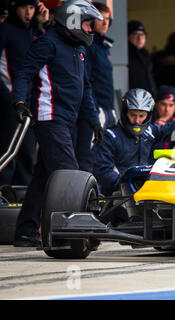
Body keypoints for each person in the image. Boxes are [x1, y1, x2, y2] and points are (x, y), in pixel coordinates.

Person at [10, 0, 103, 247]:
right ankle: (74, 234)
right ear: (71, 20)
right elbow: (24, 73)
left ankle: (25, 231)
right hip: (48, 117)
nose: (90, 29)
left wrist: (94, 121)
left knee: (44, 177)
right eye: (87, 23)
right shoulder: (48, 42)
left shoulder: (80, 49)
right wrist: (19, 101)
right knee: (70, 176)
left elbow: (87, 89)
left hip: (67, 121)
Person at [93, 76, 175, 196]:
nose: (137, 121)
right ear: (124, 112)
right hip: (118, 196)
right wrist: (127, 184)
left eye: (141, 116)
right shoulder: (109, 137)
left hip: (149, 193)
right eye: (133, 115)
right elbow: (103, 171)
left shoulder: (150, 132)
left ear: (148, 115)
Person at [0, 0, 49, 186]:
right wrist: (8, 98)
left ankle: (21, 197)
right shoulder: (5, 29)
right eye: (24, 7)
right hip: (10, 103)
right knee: (8, 152)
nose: (28, 12)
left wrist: (45, 23)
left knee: (27, 153)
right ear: (15, 8)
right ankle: (3, 193)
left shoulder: (36, 33)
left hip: (31, 104)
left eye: (31, 8)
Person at [75, 1, 115, 172]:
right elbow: (87, 82)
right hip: (94, 111)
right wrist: (93, 111)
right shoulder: (87, 45)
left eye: (108, 19)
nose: (105, 23)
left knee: (106, 156)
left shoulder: (104, 46)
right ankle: (84, 196)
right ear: (91, 21)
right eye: (101, 19)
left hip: (108, 110)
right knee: (87, 158)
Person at [128, 20, 157, 96]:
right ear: (128, 36)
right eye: (136, 34)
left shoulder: (145, 55)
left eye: (142, 34)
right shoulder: (126, 56)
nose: (140, 38)